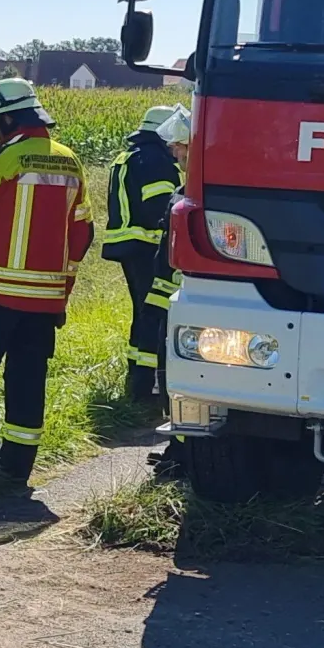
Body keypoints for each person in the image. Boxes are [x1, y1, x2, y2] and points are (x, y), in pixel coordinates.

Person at [0, 77, 94, 489]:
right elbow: (82, 234)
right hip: (45, 301)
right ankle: (16, 471)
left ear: (8, 118)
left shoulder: (10, 158)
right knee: (27, 377)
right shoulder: (69, 160)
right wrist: (61, 293)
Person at [101, 105, 184, 405]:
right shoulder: (154, 160)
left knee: (142, 313)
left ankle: (137, 381)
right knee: (155, 316)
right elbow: (161, 209)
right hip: (148, 248)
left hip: (128, 246)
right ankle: (147, 389)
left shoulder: (130, 156)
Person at [145, 106, 192, 477]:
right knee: (170, 377)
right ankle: (177, 448)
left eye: (180, 147)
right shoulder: (184, 189)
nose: (174, 153)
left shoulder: (196, 191)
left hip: (187, 303)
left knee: (181, 380)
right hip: (170, 298)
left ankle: (185, 453)